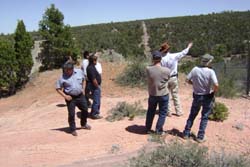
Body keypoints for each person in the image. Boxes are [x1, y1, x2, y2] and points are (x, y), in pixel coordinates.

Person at [182, 54, 219, 143]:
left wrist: (193, 84)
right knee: (205, 116)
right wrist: (214, 92)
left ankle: (186, 133)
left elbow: (187, 80)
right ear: (209, 62)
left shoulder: (195, 69)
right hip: (207, 95)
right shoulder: (211, 71)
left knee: (192, 115)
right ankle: (200, 136)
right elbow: (216, 84)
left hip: (197, 95)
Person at [56, 62, 91, 136]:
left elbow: (83, 79)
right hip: (70, 98)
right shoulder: (62, 77)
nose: (66, 71)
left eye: (68, 70)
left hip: (80, 96)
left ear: (72, 69)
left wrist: (82, 88)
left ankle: (83, 124)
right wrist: (65, 96)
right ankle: (73, 129)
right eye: (65, 70)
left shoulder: (79, 72)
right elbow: (58, 88)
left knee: (85, 109)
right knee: (71, 114)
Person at [160, 41, 193, 117]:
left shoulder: (161, 58)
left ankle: (168, 112)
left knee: (166, 95)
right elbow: (183, 53)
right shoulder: (174, 56)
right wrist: (188, 47)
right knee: (175, 94)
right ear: (168, 50)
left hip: (164, 78)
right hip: (173, 77)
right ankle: (178, 111)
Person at [145, 50, 171, 135]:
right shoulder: (167, 70)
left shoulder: (148, 69)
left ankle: (148, 128)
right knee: (162, 113)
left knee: (150, 112)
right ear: (161, 59)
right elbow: (168, 79)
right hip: (163, 94)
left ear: (153, 59)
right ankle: (158, 130)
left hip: (152, 94)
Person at [87, 54, 102, 119]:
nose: (96, 62)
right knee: (96, 100)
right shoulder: (91, 68)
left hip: (93, 86)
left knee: (96, 100)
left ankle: (93, 112)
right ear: (93, 61)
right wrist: (97, 86)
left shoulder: (91, 67)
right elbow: (93, 79)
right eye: (95, 60)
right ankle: (94, 114)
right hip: (94, 86)